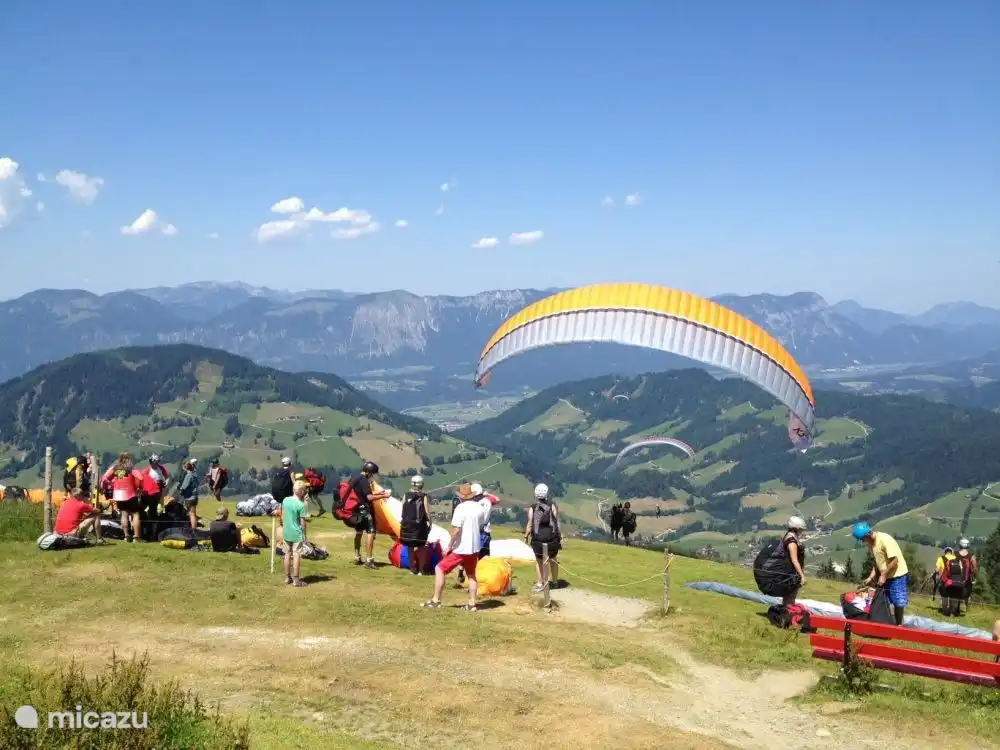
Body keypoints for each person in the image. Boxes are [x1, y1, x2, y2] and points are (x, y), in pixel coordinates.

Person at [422, 484, 484, 611]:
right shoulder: (479, 507)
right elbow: (481, 525)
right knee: (471, 574)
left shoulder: (460, 508)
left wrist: (449, 546)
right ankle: (472, 604)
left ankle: (436, 600)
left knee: (439, 568)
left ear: (461, 497)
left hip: (461, 548)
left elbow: (456, 530)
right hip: (474, 547)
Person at [854, 522, 909, 625]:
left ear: (867, 535)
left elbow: (895, 560)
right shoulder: (871, 544)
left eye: (862, 539)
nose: (862, 541)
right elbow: (877, 561)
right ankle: (888, 622)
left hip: (898, 574)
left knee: (898, 601)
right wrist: (871, 577)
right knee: (885, 600)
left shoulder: (884, 540)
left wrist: (883, 575)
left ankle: (899, 625)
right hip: (886, 575)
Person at [348, 460, 385, 569]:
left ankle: (357, 556)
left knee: (358, 532)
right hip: (364, 511)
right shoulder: (364, 480)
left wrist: (377, 493)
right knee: (370, 533)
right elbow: (368, 497)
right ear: (368, 472)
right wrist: (384, 496)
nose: (372, 476)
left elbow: (361, 494)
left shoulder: (354, 478)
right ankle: (369, 560)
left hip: (356, 510)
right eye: (372, 474)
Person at [525, 483, 562, 592]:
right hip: (552, 539)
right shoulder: (552, 505)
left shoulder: (533, 508)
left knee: (539, 561)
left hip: (538, 540)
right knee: (553, 559)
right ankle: (555, 582)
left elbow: (530, 524)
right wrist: (560, 535)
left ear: (536, 494)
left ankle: (540, 583)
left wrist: (526, 536)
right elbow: (556, 521)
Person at [101, 452, 145, 543]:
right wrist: (139, 488)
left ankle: (126, 536)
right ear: (130, 459)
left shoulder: (115, 468)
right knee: (135, 514)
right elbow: (140, 477)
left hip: (119, 494)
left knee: (123, 514)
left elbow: (105, 478)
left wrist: (111, 484)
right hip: (130, 493)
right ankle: (136, 537)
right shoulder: (131, 469)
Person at [400, 475, 432, 575]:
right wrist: (430, 522)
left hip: (407, 526)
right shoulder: (423, 496)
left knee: (410, 547)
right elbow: (426, 511)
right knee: (421, 547)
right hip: (419, 526)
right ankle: (421, 570)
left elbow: (402, 509)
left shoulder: (406, 495)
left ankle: (412, 569)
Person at [282, 481, 309, 587]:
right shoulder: (301, 505)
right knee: (296, 554)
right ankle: (296, 580)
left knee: (287, 554)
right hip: (296, 532)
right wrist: (304, 535)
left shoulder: (285, 500)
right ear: (302, 491)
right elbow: (303, 522)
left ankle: (287, 577)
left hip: (286, 531)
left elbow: (283, 515)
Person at [779, 516, 808, 606]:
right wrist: (802, 575)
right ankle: (786, 615)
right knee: (790, 596)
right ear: (797, 528)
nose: (802, 532)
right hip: (790, 573)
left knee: (789, 596)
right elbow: (794, 560)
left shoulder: (790, 536)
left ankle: (786, 614)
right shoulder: (791, 541)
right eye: (801, 529)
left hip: (789, 572)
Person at [139, 454, 168, 542]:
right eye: (154, 463)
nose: (156, 464)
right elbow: (142, 478)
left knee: (154, 509)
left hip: (158, 490)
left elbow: (167, 476)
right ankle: (147, 528)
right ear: (151, 462)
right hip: (148, 491)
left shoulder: (161, 468)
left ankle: (153, 530)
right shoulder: (147, 470)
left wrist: (166, 482)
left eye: (157, 462)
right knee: (146, 509)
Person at [957, 538, 979, 611]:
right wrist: (975, 577)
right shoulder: (971, 556)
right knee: (968, 591)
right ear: (968, 546)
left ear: (960, 545)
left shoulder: (955, 554)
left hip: (955, 577)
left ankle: (956, 606)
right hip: (966, 579)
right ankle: (967, 608)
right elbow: (975, 568)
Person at [178, 459, 200, 531]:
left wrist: (180, 490)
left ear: (185, 468)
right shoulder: (194, 475)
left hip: (189, 497)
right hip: (195, 496)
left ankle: (193, 530)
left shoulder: (188, 475)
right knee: (193, 513)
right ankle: (194, 529)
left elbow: (184, 486)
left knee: (191, 514)